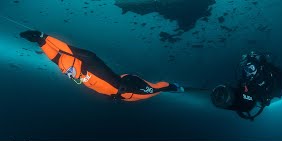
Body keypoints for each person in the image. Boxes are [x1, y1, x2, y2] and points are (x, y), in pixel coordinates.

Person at [20, 30, 184, 101]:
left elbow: (58, 54)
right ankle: (176, 87)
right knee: (157, 89)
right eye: (70, 72)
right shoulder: (81, 61)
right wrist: (42, 37)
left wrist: (41, 40)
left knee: (157, 89)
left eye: (69, 71)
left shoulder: (71, 65)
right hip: (128, 91)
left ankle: (174, 87)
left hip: (120, 88)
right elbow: (64, 52)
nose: (69, 72)